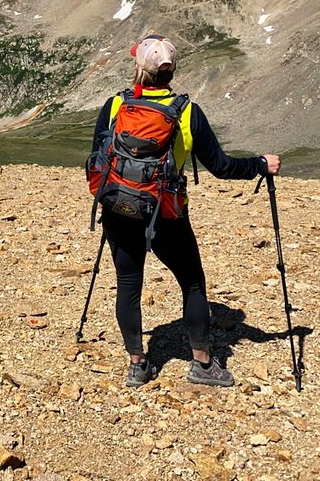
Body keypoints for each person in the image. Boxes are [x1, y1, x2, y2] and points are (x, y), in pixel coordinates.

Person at [90, 35, 280, 388]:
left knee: (128, 284)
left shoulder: (116, 106)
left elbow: (98, 159)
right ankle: (204, 365)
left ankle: (138, 365)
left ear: (139, 68)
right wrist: (260, 164)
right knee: (192, 282)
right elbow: (221, 166)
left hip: (120, 208)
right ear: (171, 71)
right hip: (166, 214)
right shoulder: (187, 113)